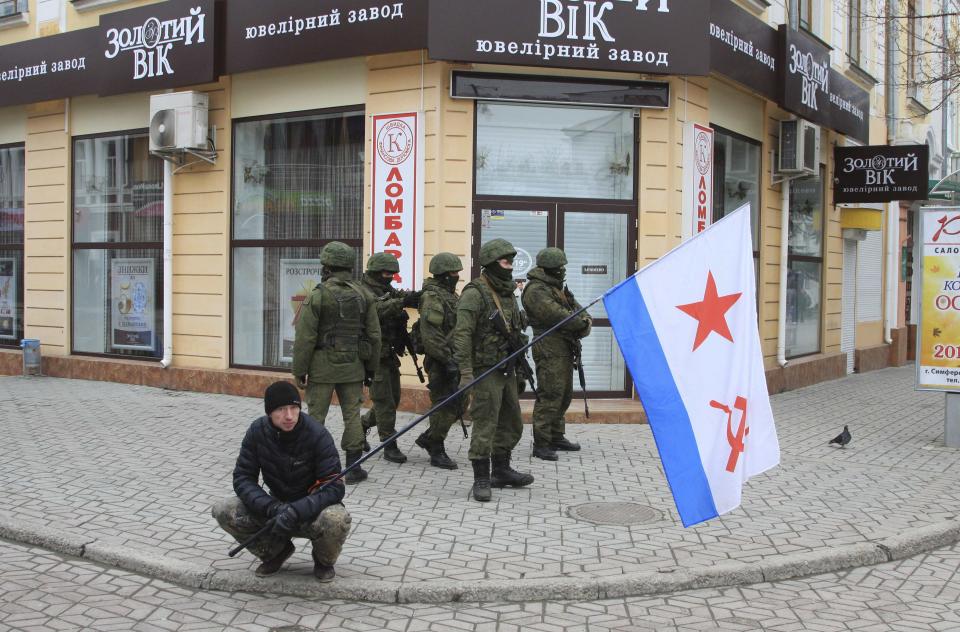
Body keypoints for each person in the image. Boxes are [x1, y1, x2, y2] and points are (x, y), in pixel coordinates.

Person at [211, 381, 351, 582]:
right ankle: (276, 551)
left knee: (337, 518)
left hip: (310, 510)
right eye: (281, 409)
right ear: (269, 412)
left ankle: (323, 561)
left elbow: (335, 487)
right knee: (223, 509)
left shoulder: (317, 434)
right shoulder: (257, 432)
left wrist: (297, 510)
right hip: (274, 510)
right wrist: (272, 508)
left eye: (294, 408)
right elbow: (243, 478)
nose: (289, 416)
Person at [292, 241, 381, 484]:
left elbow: (305, 337)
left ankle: (311, 468)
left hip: (321, 367)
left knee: (315, 417)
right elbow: (374, 336)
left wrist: (299, 370)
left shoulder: (318, 296)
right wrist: (371, 369)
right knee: (352, 415)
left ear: (327, 267)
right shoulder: (365, 295)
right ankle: (353, 468)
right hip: (353, 366)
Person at [453, 238, 535, 502]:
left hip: (507, 368)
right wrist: (466, 373)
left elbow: (516, 328)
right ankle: (481, 478)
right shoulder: (474, 294)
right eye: (505, 261)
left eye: (511, 261)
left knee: (512, 423)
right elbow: (462, 335)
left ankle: (501, 470)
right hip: (485, 370)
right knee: (485, 424)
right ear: (491, 262)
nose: (510, 265)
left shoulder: (507, 293)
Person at [522, 247, 592, 461]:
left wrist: (583, 322)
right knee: (550, 395)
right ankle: (542, 443)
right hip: (548, 346)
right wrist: (580, 322)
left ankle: (556, 435)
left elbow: (580, 312)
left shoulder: (558, 288)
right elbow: (559, 316)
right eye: (559, 267)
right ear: (549, 268)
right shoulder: (536, 290)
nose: (563, 270)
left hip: (564, 346)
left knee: (563, 395)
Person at [358, 252, 420, 464]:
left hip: (388, 353)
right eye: (386, 273)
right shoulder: (362, 291)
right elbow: (376, 309)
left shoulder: (387, 289)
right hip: (373, 356)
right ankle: (389, 444)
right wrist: (403, 301)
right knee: (384, 400)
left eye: (392, 274)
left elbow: (398, 297)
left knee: (392, 398)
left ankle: (362, 425)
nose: (390, 277)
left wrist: (416, 297)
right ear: (374, 272)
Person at [413, 252, 465, 470]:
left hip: (455, 358)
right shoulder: (433, 297)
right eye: (454, 273)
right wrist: (446, 361)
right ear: (444, 275)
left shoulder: (451, 295)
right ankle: (436, 448)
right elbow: (431, 335)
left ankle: (429, 436)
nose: (457, 276)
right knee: (445, 403)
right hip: (441, 361)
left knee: (460, 404)